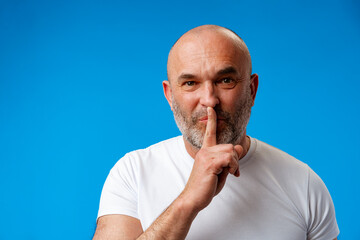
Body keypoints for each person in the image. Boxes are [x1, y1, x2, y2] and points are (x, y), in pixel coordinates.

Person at [93, 25, 339, 240]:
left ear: (252, 90)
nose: (209, 100)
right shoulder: (132, 174)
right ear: (170, 95)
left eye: (225, 80)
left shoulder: (304, 184)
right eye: (190, 83)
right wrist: (188, 202)